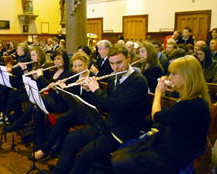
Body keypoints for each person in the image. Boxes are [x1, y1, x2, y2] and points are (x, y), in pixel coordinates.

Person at [51, 44, 150, 174]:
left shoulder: (138, 81)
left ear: (129, 58)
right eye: (112, 63)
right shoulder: (115, 76)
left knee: (87, 152)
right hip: (109, 124)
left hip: (124, 130)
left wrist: (96, 90)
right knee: (71, 139)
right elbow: (103, 103)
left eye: (119, 62)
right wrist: (89, 91)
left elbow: (117, 105)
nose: (116, 67)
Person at [111, 55, 210, 174]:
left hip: (177, 154)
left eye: (174, 74)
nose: (170, 77)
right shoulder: (194, 98)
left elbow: (156, 116)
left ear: (187, 77)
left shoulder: (191, 105)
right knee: (122, 152)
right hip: (172, 142)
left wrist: (158, 92)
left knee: (119, 162)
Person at [32, 52, 95, 160]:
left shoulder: (92, 78)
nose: (78, 69)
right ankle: (56, 149)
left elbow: (92, 100)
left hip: (87, 112)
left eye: (80, 65)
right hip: (76, 109)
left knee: (62, 120)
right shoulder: (76, 76)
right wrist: (60, 89)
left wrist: (88, 90)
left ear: (87, 64)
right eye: (75, 66)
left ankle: (45, 149)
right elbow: (72, 95)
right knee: (64, 122)